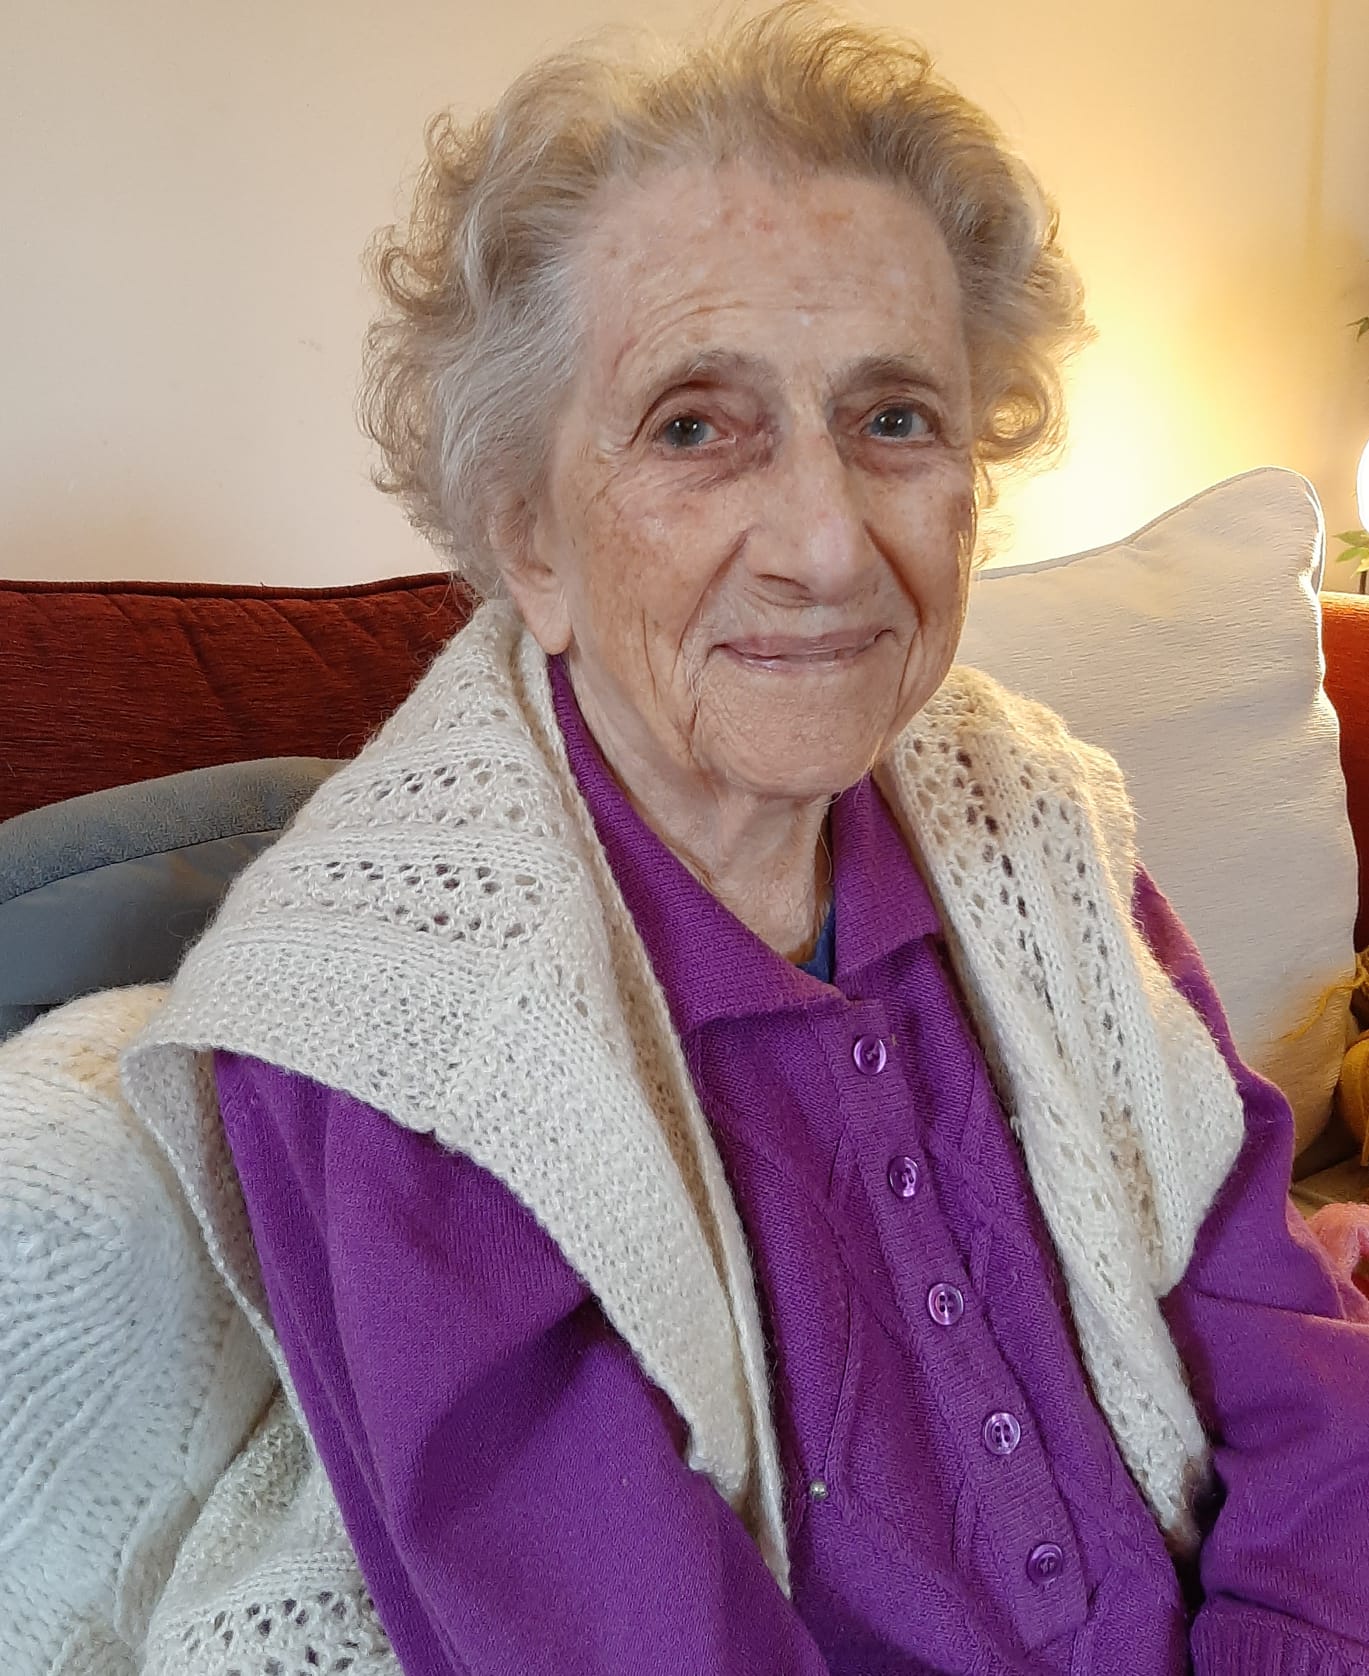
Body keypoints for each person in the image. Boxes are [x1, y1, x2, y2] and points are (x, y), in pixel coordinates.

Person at [121, 5, 1369, 1673]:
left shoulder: (1036, 826)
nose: (824, 546)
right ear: (528, 537)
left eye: (894, 419)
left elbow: (1279, 1343)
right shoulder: (395, 1035)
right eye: (695, 427)